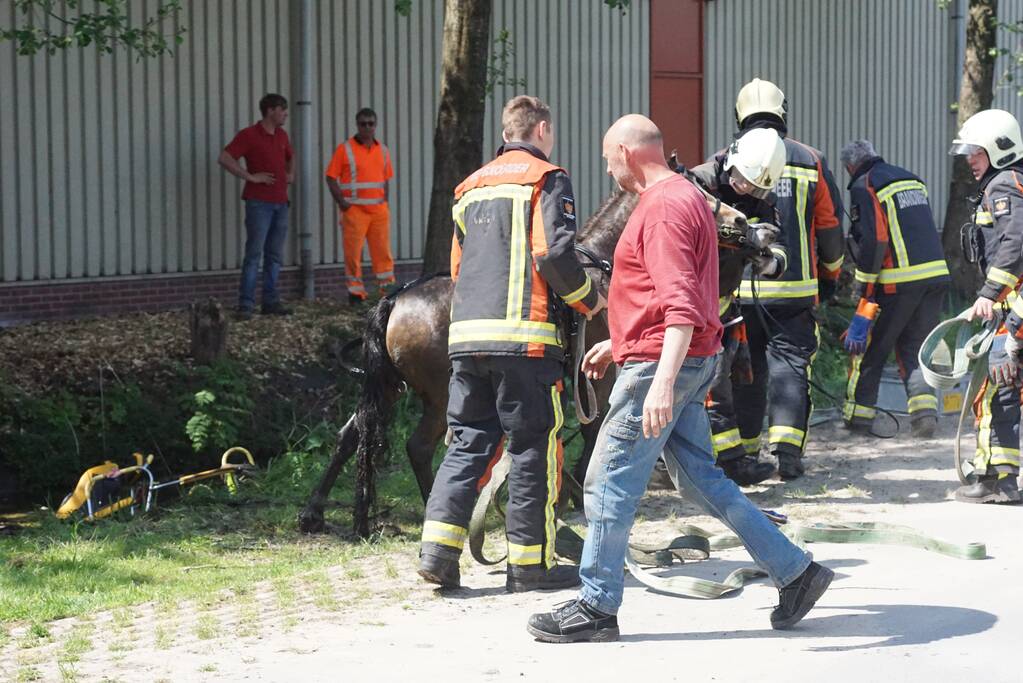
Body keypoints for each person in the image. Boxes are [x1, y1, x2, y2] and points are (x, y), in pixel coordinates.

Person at [526, 114, 832, 644]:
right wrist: (617, 342)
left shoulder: (664, 208)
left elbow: (682, 306)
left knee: (608, 480)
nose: (606, 167)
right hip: (680, 357)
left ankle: (596, 605)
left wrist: (660, 380)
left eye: (606, 156)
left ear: (626, 151)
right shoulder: (685, 197)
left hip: (663, 366)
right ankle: (796, 572)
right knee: (701, 481)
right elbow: (662, 296)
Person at [418, 96, 607, 592]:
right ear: (541, 128)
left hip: (466, 339)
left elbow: (459, 269)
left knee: (468, 444)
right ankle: (529, 565)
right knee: (531, 448)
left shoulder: (468, 187)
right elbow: (553, 256)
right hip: (525, 341)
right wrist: (591, 301)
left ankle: (437, 553)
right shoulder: (547, 178)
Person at [729, 78, 845, 480]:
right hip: (795, 292)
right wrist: (830, 276)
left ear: (739, 115)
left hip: (739, 294)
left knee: (744, 370)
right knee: (790, 367)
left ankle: (744, 455)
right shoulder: (811, 159)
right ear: (783, 113)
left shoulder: (726, 156)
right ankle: (788, 456)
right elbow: (830, 227)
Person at [689, 127, 787, 486]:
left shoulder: (762, 199)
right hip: (690, 306)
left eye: (756, 187)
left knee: (726, 384)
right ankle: (726, 466)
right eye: (744, 181)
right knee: (710, 386)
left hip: (724, 307)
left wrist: (771, 260)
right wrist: (744, 236)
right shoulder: (699, 183)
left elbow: (779, 243)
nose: (746, 190)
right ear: (731, 160)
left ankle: (730, 463)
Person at [840, 140, 949, 437]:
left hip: (899, 281)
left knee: (874, 348)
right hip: (936, 276)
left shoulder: (866, 184)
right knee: (915, 349)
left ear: (851, 166)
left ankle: (859, 419)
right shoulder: (911, 178)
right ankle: (924, 416)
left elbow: (874, 239)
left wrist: (865, 286)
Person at [949, 108, 1023, 504]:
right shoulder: (1013, 182)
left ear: (999, 150)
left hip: (1016, 312)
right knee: (1003, 390)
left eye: (976, 153)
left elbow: (1015, 244)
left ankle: (996, 481)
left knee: (995, 392)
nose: (969, 160)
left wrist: (989, 295)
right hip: (1011, 309)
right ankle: (999, 478)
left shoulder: (1005, 187)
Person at [218, 93, 294, 319]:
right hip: (259, 203)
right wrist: (250, 177)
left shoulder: (281, 135)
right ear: (270, 111)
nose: (285, 114)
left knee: (274, 255)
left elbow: (291, 156)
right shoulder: (249, 135)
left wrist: (291, 173)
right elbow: (225, 157)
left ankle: (270, 301)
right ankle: (246, 304)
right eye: (282, 110)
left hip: (280, 202)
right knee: (254, 253)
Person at [325, 108, 396, 305]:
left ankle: (387, 291)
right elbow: (330, 177)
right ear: (357, 125)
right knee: (353, 255)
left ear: (376, 125)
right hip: (354, 211)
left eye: (371, 123)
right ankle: (356, 294)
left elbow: (385, 179)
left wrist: (385, 201)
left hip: (378, 212)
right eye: (363, 124)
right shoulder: (345, 149)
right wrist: (343, 203)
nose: (367, 127)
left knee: (383, 253)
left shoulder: (382, 150)